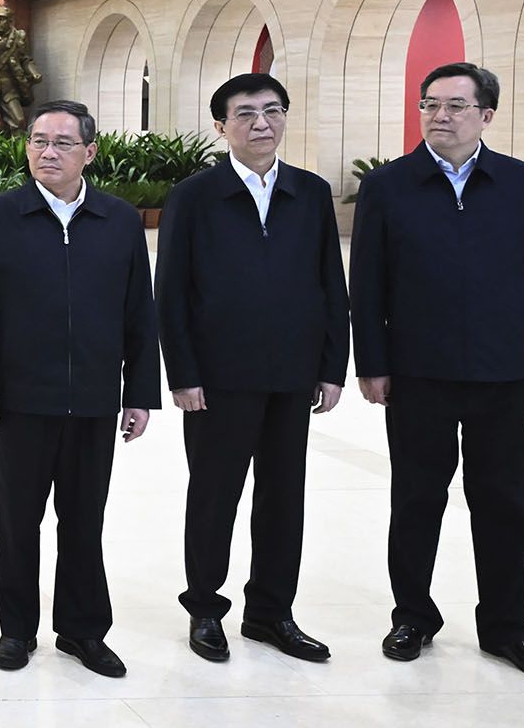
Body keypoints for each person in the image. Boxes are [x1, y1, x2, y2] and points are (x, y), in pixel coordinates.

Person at [350, 62, 524, 682]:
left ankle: (506, 628)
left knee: (505, 503)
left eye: (454, 106)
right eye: (430, 105)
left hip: (502, 373)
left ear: (486, 115)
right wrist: (373, 361)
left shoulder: (523, 184)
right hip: (419, 372)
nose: (439, 116)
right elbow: (367, 285)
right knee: (417, 498)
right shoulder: (390, 186)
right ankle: (413, 615)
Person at [0, 100, 159, 678]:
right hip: (22, 400)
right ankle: (16, 631)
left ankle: (82, 630)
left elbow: (138, 314)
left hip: (95, 400)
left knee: (83, 520)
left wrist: (139, 393)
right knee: (18, 521)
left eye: (63, 143)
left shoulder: (118, 220)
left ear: (89, 153)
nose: (48, 152)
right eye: (39, 141)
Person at [155, 73, 347, 664]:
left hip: (291, 375)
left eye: (272, 111)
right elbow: (174, 293)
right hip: (218, 379)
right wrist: (183, 375)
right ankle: (206, 610)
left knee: (284, 498)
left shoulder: (310, 193)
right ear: (221, 126)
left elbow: (329, 285)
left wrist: (332, 366)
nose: (261, 123)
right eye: (245, 114)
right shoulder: (193, 197)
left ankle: (270, 613)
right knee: (215, 495)